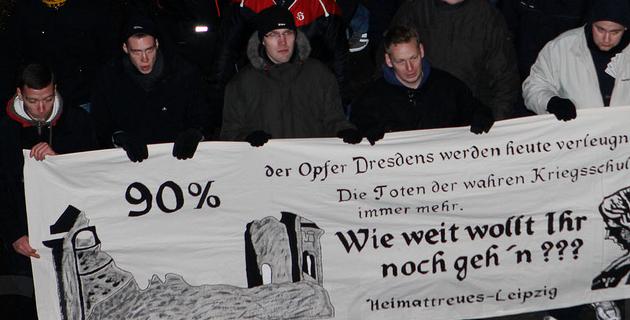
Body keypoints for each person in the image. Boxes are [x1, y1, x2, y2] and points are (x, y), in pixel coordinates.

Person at [0, 63, 96, 319]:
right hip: (20, 243)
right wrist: (14, 234)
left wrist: (59, 162)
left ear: (56, 91)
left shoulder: (78, 122)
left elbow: (92, 175)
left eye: (48, 99)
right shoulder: (5, 129)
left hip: (67, 237)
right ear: (20, 94)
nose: (42, 108)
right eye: (33, 101)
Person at [220, 5, 361, 146]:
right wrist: (246, 138)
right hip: (266, 165)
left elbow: (335, 120)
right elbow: (229, 133)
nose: (283, 41)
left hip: (310, 165)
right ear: (262, 40)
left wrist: (345, 131)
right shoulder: (242, 83)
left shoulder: (319, 74)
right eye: (274, 34)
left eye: (287, 33)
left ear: (296, 35)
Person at [91, 15, 211, 162]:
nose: (144, 59)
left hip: (177, 160)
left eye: (149, 50)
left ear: (157, 44)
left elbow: (202, 115)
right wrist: (118, 137)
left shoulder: (184, 74)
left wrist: (195, 132)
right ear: (125, 48)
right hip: (131, 164)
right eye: (137, 52)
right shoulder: (109, 79)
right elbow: (100, 125)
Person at [350, 26, 494, 144]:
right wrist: (361, 130)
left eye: (413, 58)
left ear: (422, 51)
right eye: (401, 61)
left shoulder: (448, 86)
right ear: (388, 61)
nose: (410, 68)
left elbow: (473, 108)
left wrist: (481, 114)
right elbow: (356, 124)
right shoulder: (371, 98)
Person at [390, 0, 520, 121]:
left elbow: (505, 82)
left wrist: (494, 122)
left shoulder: (488, 17)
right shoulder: (414, 11)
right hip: (420, 125)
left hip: (473, 124)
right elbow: (389, 67)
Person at [0, 0, 119, 111]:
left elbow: (109, 56)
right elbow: (10, 60)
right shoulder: (25, 11)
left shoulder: (93, 8)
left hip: (85, 99)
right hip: (40, 101)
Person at [523, 0, 630, 121]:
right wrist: (550, 102)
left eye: (615, 32)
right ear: (591, 23)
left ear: (626, 29)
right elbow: (534, 87)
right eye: (600, 30)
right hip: (578, 135)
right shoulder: (561, 47)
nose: (606, 39)